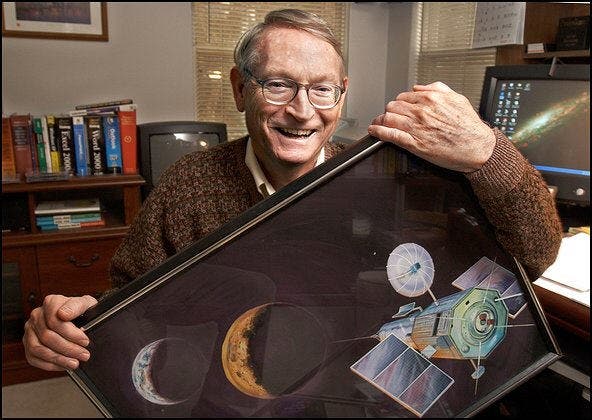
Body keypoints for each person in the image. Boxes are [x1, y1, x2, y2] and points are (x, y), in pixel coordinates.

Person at [23, 9, 562, 374]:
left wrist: (489, 153)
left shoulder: (401, 174)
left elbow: (535, 256)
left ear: (340, 92)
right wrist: (69, 328)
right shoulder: (189, 183)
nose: (303, 111)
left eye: (322, 89)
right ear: (239, 89)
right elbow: (128, 302)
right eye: (278, 84)